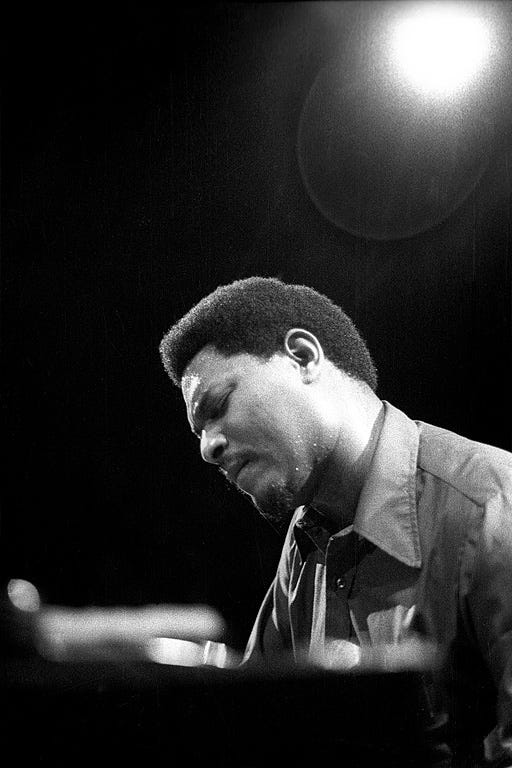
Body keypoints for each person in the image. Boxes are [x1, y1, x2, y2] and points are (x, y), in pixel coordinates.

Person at [159, 276, 512, 766]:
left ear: (304, 356)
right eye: (199, 432)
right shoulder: (306, 542)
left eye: (217, 407)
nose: (207, 448)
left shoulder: (491, 505)